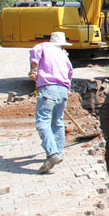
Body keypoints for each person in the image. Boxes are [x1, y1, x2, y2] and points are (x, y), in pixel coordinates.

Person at [29, 31, 74, 174]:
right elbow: (70, 73)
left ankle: (52, 154)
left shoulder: (43, 46)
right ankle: (58, 153)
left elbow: (34, 52)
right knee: (58, 121)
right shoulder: (64, 55)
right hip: (63, 90)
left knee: (43, 122)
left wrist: (34, 70)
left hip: (48, 88)